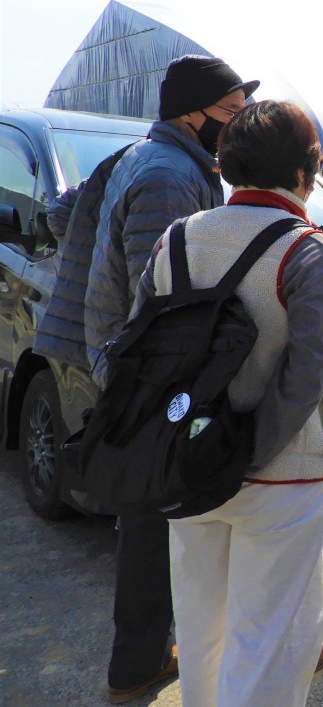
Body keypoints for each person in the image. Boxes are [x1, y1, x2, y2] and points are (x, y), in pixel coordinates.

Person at [35, 54, 257, 704]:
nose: (238, 126)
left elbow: (63, 215)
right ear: (192, 115)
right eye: (231, 113)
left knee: (148, 504)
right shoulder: (167, 176)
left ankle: (144, 656)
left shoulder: (147, 157)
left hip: (126, 356)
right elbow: (160, 294)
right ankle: (141, 661)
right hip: (146, 366)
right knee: (155, 511)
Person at [135, 100, 323, 706]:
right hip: (283, 478)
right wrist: (247, 453)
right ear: (303, 170)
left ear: (227, 165)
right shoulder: (308, 250)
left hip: (188, 465)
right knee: (270, 643)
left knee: (202, 630)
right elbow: (307, 374)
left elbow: (140, 347)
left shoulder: (176, 241)